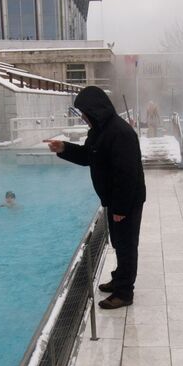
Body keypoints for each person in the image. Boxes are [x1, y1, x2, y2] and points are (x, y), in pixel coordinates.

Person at [45, 86, 146, 310]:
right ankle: (119, 278)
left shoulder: (120, 133)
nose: (82, 116)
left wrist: (120, 209)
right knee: (120, 243)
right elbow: (87, 156)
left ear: (95, 109)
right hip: (114, 199)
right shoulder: (100, 130)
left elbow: (127, 175)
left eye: (84, 112)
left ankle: (124, 293)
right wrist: (63, 148)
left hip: (126, 201)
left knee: (127, 245)